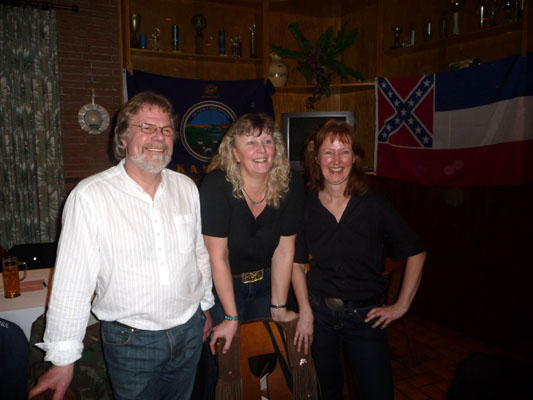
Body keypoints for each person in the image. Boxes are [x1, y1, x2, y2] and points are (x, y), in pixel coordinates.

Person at [28, 91, 214, 400]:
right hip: (131, 341)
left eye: (166, 129)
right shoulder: (90, 196)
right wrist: (63, 359)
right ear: (123, 138)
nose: (159, 137)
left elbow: (198, 253)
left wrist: (205, 306)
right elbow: (73, 282)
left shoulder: (186, 187)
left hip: (189, 330)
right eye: (147, 127)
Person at [294, 120, 426, 400]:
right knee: (326, 392)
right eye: (328, 152)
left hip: (366, 317)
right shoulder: (305, 206)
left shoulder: (373, 205)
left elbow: (416, 250)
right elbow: (296, 262)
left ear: (354, 158)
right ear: (317, 159)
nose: (336, 161)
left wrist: (401, 306)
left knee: (377, 393)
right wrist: (305, 311)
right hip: (320, 316)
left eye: (344, 152)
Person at [198, 113, 313, 396]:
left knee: (267, 364)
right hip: (225, 288)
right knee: (223, 368)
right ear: (235, 153)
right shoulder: (216, 184)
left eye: (267, 141)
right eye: (250, 142)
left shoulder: (290, 183)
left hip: (267, 284)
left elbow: (284, 250)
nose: (261, 149)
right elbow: (218, 257)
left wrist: (279, 307)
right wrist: (231, 317)